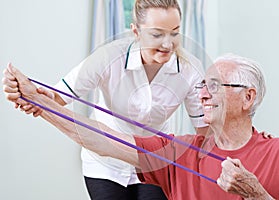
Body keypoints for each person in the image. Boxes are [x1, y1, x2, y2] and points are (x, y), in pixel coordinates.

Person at [3, 54, 279, 199]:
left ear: (248, 97)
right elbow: (103, 138)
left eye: (215, 86)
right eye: (202, 86)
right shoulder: (180, 152)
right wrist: (41, 105)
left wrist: (257, 194)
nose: (203, 94)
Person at [5, 0, 208, 199]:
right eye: (157, 34)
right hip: (106, 163)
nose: (167, 43)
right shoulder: (108, 57)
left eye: (174, 32)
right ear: (136, 31)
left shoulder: (190, 70)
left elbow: (204, 132)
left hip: (155, 161)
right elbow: (57, 97)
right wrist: (28, 95)